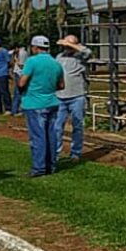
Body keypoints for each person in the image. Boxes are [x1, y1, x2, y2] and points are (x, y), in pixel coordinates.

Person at [19, 36, 63, 177]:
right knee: (51, 135)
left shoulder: (32, 61)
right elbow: (61, 85)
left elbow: (22, 82)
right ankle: (51, 165)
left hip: (34, 102)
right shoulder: (56, 63)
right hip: (52, 101)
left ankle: (39, 167)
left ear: (35, 47)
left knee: (38, 137)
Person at [54, 35, 92, 163]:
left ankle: (75, 153)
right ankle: (55, 153)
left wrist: (71, 44)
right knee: (57, 126)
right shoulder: (59, 57)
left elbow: (88, 52)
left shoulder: (81, 56)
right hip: (60, 96)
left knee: (77, 126)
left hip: (77, 96)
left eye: (68, 44)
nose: (66, 46)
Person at [10, 42, 29, 116]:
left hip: (21, 74)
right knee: (17, 92)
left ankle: (21, 110)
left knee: (20, 92)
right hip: (17, 73)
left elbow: (22, 66)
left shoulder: (23, 53)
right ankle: (14, 110)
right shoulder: (17, 53)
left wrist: (16, 61)